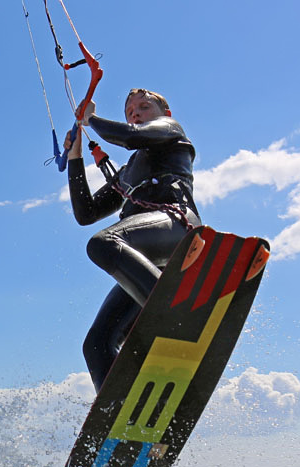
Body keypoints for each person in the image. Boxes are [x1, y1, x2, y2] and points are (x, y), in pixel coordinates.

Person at [64, 88, 201, 393]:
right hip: (149, 265)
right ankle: (117, 410)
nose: (135, 113)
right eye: (130, 111)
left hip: (177, 227)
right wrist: (75, 157)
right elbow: (86, 213)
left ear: (164, 113)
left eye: (143, 107)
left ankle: (174, 312)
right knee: (96, 344)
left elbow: (130, 136)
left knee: (104, 244)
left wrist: (92, 118)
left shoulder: (171, 131)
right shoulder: (127, 173)